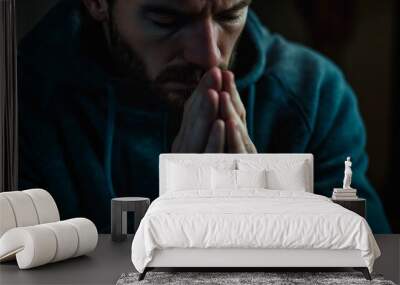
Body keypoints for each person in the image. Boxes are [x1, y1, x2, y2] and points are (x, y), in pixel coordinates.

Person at [18, 0, 391, 233]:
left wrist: (261, 219)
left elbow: (364, 264)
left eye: (230, 15)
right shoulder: (21, 100)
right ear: (97, 3)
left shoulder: (315, 96)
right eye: (167, 19)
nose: (210, 58)